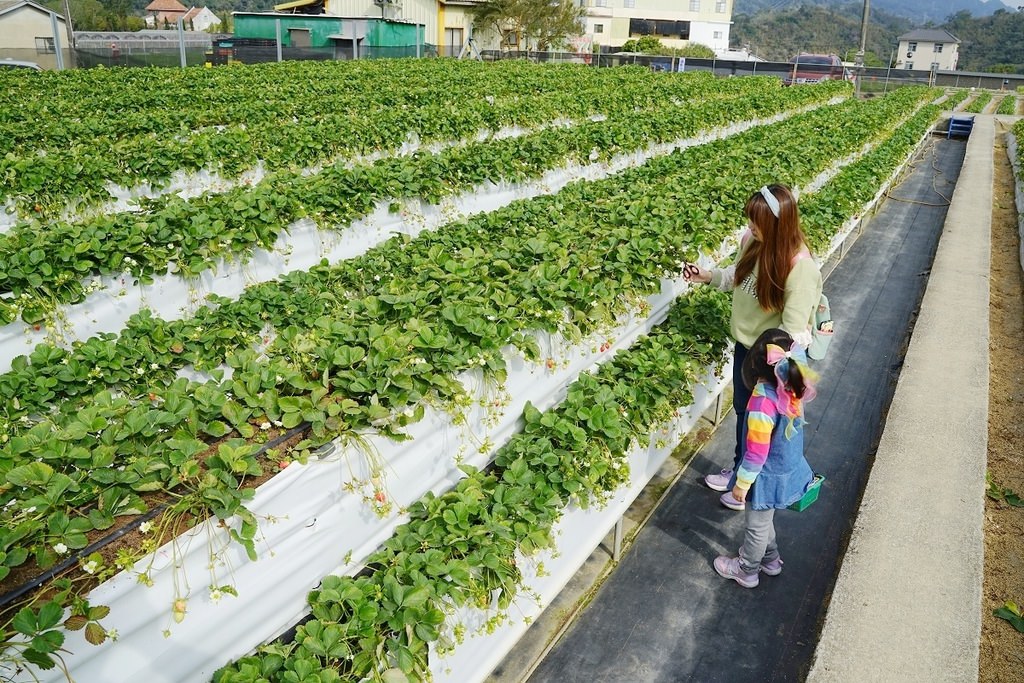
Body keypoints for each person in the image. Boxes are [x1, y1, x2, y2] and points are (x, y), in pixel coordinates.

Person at [682, 184, 821, 510]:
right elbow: (738, 276)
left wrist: (767, 373)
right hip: (746, 347)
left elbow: (791, 329)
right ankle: (739, 475)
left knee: (762, 424)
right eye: (750, 220)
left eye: (756, 222)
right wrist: (706, 276)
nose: (749, 227)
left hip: (771, 360)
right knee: (744, 414)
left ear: (778, 225)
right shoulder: (752, 242)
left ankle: (752, 487)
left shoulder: (799, 266)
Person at [712, 328, 817, 588]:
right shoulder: (792, 388)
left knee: (756, 526)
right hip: (786, 468)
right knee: (764, 519)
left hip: (765, 476)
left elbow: (756, 454)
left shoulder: (762, 404)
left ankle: (747, 569)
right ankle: (771, 560)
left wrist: (741, 484)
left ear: (754, 365)